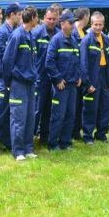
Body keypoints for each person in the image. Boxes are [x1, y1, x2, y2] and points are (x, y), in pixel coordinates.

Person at [3, 6, 39, 160]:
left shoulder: (30, 36)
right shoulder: (16, 36)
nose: (38, 20)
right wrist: (8, 82)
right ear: (32, 18)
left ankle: (28, 148)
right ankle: (18, 151)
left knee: (30, 116)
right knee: (18, 117)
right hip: (18, 83)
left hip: (30, 83)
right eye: (37, 17)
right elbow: (7, 60)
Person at [0, 3, 21, 157]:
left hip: (11, 78)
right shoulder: (1, 32)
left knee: (9, 112)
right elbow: (4, 57)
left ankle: (7, 142)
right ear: (12, 14)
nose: (20, 17)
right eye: (19, 14)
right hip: (2, 78)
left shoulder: (14, 31)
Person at [45, 12, 81, 151]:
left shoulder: (73, 40)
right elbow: (49, 62)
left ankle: (66, 142)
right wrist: (57, 79)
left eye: (73, 23)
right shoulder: (56, 40)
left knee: (70, 115)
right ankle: (53, 144)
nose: (73, 26)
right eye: (70, 23)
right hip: (60, 86)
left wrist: (78, 76)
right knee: (58, 115)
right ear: (62, 24)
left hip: (72, 85)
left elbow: (77, 60)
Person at [79, 11, 109, 145]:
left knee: (105, 106)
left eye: (100, 25)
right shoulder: (86, 41)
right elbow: (83, 64)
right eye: (95, 24)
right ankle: (88, 136)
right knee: (90, 107)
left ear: (104, 25)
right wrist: (87, 83)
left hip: (104, 77)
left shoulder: (106, 39)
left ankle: (101, 134)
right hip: (92, 77)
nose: (98, 27)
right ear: (91, 24)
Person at [32, 7, 60, 143]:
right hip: (39, 78)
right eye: (49, 18)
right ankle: (30, 138)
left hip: (53, 79)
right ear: (44, 18)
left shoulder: (59, 35)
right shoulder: (36, 33)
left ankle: (44, 137)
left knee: (49, 109)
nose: (51, 21)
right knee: (36, 110)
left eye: (54, 19)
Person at [71, 7, 91, 140]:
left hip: (82, 74)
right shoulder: (73, 32)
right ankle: (73, 131)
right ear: (85, 16)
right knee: (74, 105)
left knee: (79, 104)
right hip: (75, 75)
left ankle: (77, 130)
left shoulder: (83, 32)